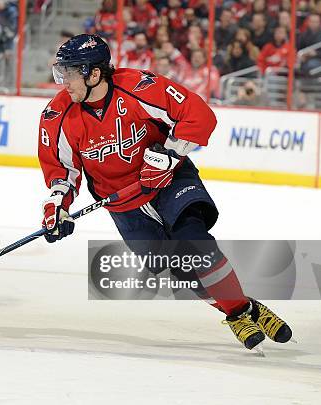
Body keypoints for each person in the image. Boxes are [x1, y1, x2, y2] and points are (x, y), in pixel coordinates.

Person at [38, 34, 293, 352]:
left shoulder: (139, 87)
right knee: (181, 268)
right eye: (61, 73)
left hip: (167, 180)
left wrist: (171, 153)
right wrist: (56, 206)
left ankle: (238, 311)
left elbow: (199, 115)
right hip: (122, 202)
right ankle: (243, 309)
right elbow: (62, 171)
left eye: (71, 73)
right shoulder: (57, 116)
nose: (64, 82)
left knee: (196, 242)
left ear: (94, 73)